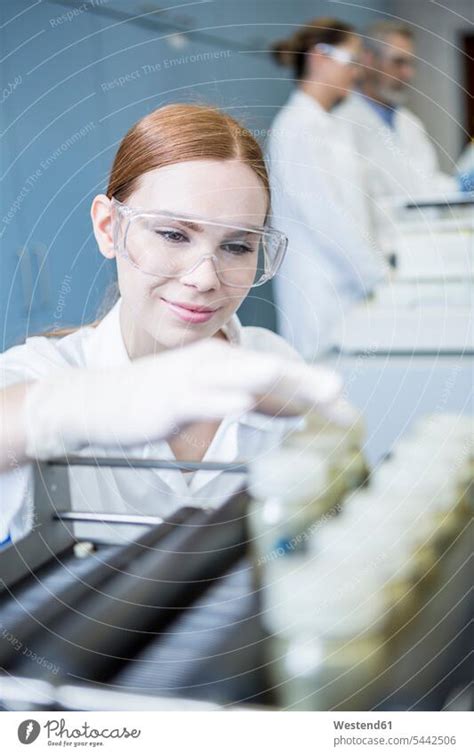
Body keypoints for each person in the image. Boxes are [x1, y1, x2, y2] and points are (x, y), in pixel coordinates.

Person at [0, 103, 347, 544]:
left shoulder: (271, 362)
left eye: (238, 246)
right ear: (109, 228)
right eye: (173, 235)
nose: (204, 278)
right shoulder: (45, 372)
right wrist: (87, 405)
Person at [267, 17, 387, 359]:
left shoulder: (327, 126)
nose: (357, 73)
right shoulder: (296, 128)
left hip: (347, 287)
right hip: (321, 294)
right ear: (320, 57)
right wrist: (377, 275)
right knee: (326, 397)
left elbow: (355, 206)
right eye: (352, 61)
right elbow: (327, 217)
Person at [335, 20, 457, 205]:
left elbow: (427, 184)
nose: (408, 73)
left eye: (410, 63)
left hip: (419, 231)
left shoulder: (410, 123)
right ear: (368, 60)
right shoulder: (341, 122)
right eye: (398, 62)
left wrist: (461, 186)